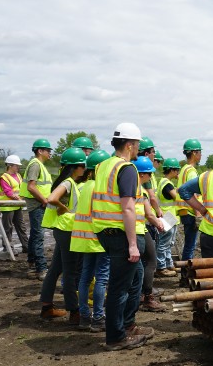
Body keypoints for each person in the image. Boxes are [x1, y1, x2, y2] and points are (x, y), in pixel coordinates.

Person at [91, 122, 153, 351]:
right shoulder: (126, 169)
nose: (138, 149)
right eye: (137, 144)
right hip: (120, 234)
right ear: (129, 145)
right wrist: (133, 244)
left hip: (105, 231)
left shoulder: (103, 166)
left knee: (135, 278)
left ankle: (127, 325)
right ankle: (116, 337)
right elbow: (127, 207)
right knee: (119, 287)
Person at [38, 147, 87, 322]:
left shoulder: (68, 182)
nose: (85, 169)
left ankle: (46, 307)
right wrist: (62, 207)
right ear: (76, 167)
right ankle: (74, 312)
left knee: (55, 269)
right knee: (70, 272)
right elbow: (52, 198)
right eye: (83, 165)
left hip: (62, 230)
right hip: (67, 231)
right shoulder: (68, 183)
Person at [70, 149, 111, 332]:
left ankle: (84, 317)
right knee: (101, 278)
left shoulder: (85, 185)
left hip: (84, 239)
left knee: (85, 277)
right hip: (99, 239)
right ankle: (98, 318)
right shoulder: (100, 187)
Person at [136, 137, 165, 312]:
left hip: (133, 227)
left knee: (140, 263)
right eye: (153, 152)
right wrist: (158, 220)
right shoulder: (140, 183)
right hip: (139, 227)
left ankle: (140, 294)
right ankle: (146, 296)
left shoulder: (130, 178)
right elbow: (148, 207)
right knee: (151, 260)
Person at [19, 138, 53, 280]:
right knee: (39, 237)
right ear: (40, 151)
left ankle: (32, 264)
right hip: (38, 205)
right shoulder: (35, 165)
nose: (50, 153)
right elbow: (31, 187)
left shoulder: (39, 165)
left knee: (35, 235)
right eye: (48, 150)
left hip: (38, 204)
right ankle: (41, 269)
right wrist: (44, 200)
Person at [177, 138, 202, 260]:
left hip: (184, 211)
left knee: (188, 244)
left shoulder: (184, 169)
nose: (201, 155)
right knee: (190, 246)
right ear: (194, 153)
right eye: (199, 152)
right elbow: (193, 194)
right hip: (191, 212)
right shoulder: (191, 171)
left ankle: (185, 268)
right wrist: (198, 214)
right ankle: (186, 269)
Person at [155, 158, 181, 277]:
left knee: (168, 243)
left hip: (168, 216)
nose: (178, 173)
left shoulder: (163, 182)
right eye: (177, 170)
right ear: (172, 170)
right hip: (167, 217)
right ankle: (161, 267)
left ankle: (169, 264)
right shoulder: (167, 184)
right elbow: (177, 197)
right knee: (164, 244)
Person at [0, 155, 28, 254]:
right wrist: (20, 199)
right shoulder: (4, 177)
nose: (18, 167)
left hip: (17, 205)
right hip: (7, 206)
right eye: (16, 165)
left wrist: (23, 197)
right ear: (10, 165)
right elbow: (8, 192)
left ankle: (26, 246)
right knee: (8, 228)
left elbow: (22, 188)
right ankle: (8, 248)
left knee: (21, 226)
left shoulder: (18, 175)